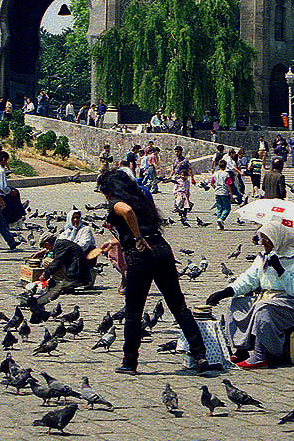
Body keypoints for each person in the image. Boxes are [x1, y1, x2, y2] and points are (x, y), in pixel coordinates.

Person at [96, 168, 215, 375]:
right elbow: (138, 222)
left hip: (140, 255)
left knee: (133, 310)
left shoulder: (117, 203)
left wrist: (136, 238)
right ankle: (200, 355)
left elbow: (127, 213)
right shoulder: (140, 198)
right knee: (178, 306)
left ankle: (129, 362)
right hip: (162, 249)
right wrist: (115, 241)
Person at [205, 217, 294, 369]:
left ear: (276, 239)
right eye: (261, 239)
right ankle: (241, 350)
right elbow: (249, 279)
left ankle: (260, 355)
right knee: (236, 304)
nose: (262, 243)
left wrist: (280, 269)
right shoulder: (263, 256)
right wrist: (226, 292)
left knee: (264, 308)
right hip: (269, 297)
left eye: (266, 240)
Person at [171, 146, 195, 217]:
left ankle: (177, 207)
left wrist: (192, 178)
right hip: (177, 178)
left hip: (183, 178)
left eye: (178, 151)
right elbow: (173, 169)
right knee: (176, 192)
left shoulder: (185, 161)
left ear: (181, 152)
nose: (176, 153)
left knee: (183, 193)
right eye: (175, 151)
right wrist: (170, 176)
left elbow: (189, 169)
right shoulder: (175, 160)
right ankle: (188, 204)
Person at [212, 158, 234, 225]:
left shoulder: (215, 174)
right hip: (224, 192)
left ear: (218, 166)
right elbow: (228, 184)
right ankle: (221, 219)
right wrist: (230, 193)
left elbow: (212, 183)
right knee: (227, 208)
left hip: (217, 192)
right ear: (225, 166)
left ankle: (219, 222)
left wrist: (216, 188)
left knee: (219, 207)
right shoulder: (226, 174)